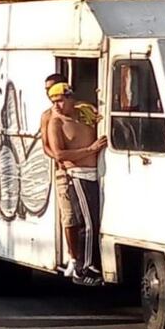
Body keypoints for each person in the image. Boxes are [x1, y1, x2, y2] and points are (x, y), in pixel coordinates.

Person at [45, 82, 107, 286]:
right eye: (53, 101)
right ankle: (83, 268)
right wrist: (91, 150)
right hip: (77, 175)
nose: (57, 105)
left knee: (95, 222)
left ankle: (92, 263)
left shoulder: (83, 112)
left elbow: (100, 118)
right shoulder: (55, 122)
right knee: (87, 223)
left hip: (96, 174)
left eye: (60, 100)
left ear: (70, 98)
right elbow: (59, 154)